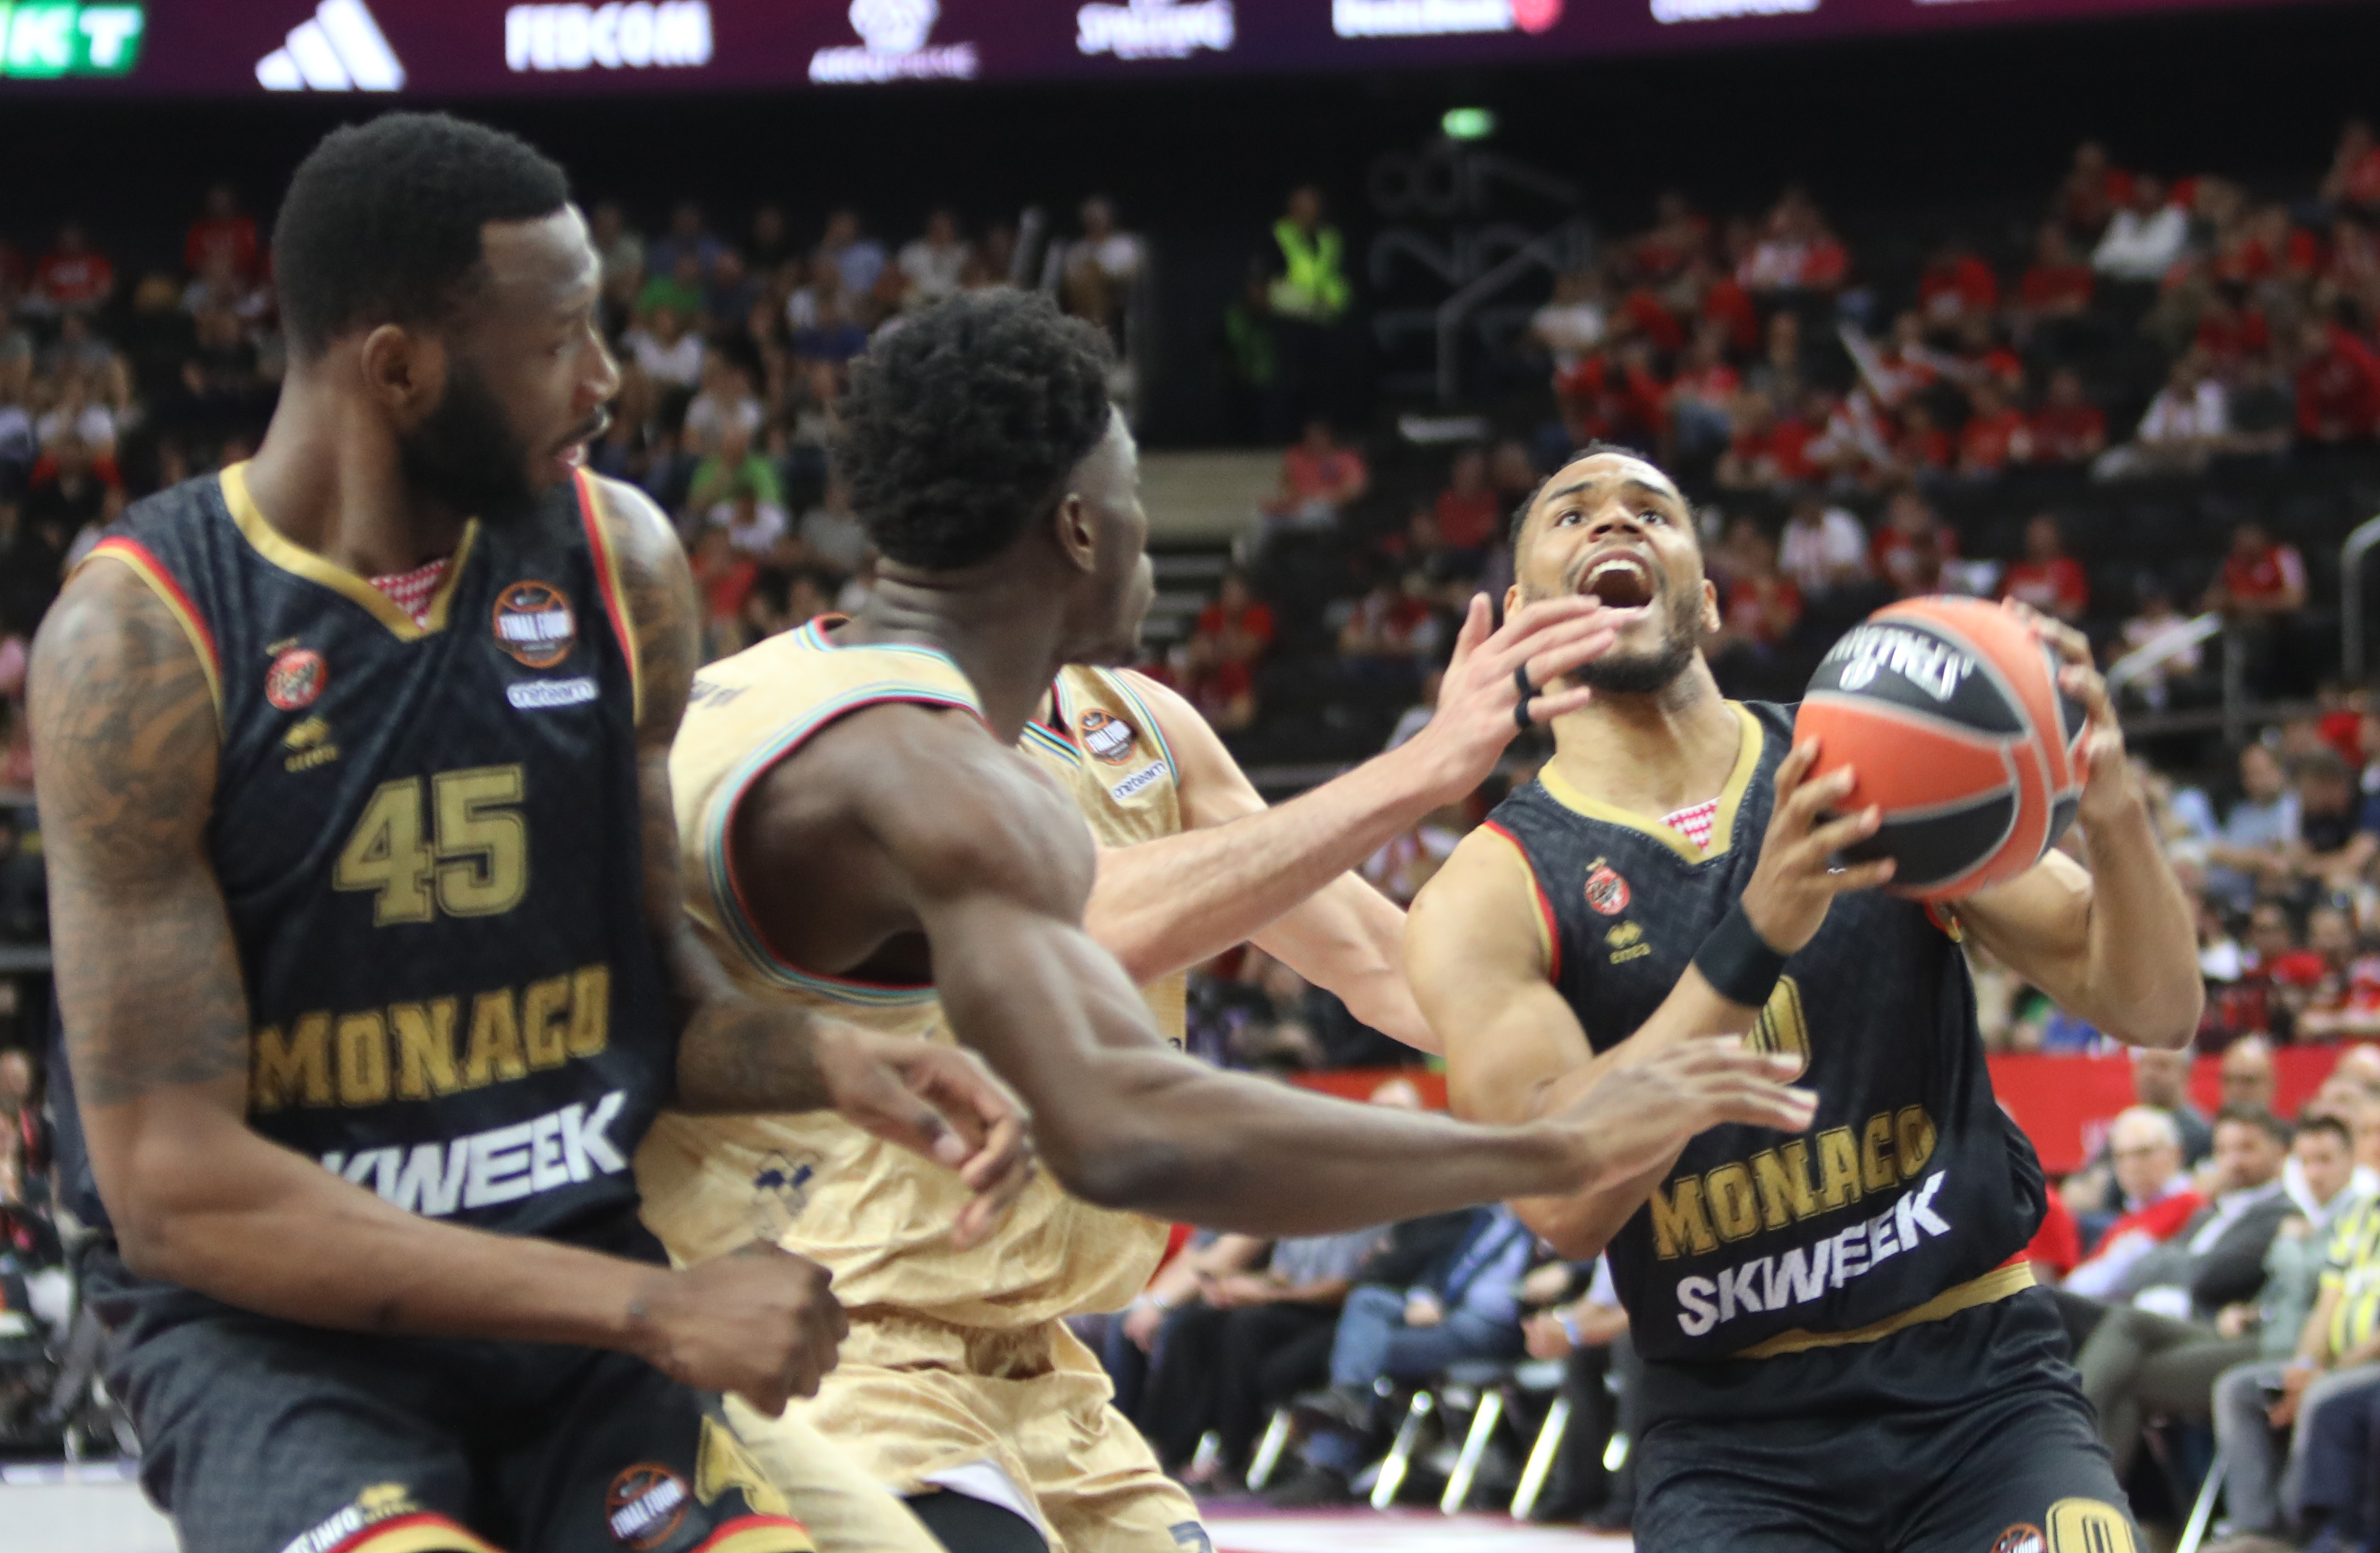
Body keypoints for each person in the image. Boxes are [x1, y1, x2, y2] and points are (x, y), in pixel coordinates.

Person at [634, 297, 1818, 1553]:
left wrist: (1704, 1000)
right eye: (1136, 492)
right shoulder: (812, 729)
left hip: (1045, 1378)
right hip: (826, 1354)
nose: (1155, 531)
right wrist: (1419, 771)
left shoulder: (1137, 724)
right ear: (1082, 526)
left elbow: (1385, 968)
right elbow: (1080, 921)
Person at [29, 114, 1037, 1553]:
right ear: (398, 369)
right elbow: (177, 1198)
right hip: (284, 1350)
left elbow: (656, 997)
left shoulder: (620, 565)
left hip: (573, 1331)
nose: (609, 381)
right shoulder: (143, 641)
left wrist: (831, 1058)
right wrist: (658, 1304)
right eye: (559, 339)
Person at [1405, 443, 2204, 1551]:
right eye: (1572, 516)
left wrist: (2113, 820)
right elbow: (1564, 1198)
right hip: (1734, 1438)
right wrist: (1758, 935)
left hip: (1980, 1385)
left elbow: (2155, 1009)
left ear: (1711, 600)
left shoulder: (1875, 766)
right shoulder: (1487, 892)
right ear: (1519, 628)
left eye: (1653, 511)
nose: (1616, 525)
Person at [2065, 1107, 2294, 1479]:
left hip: (2225, 1331)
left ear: (2279, 1152)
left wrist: (2174, 1264)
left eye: (2247, 1149)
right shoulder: (2211, 1214)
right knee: (2082, 1316)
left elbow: (2208, 1275)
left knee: (2124, 1343)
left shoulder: (2280, 1212)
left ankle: (2066, 1438)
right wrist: (2177, 1264)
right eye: (2223, 1151)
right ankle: (2103, 1505)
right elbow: (2144, 1269)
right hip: (2188, 1328)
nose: (2233, 1161)